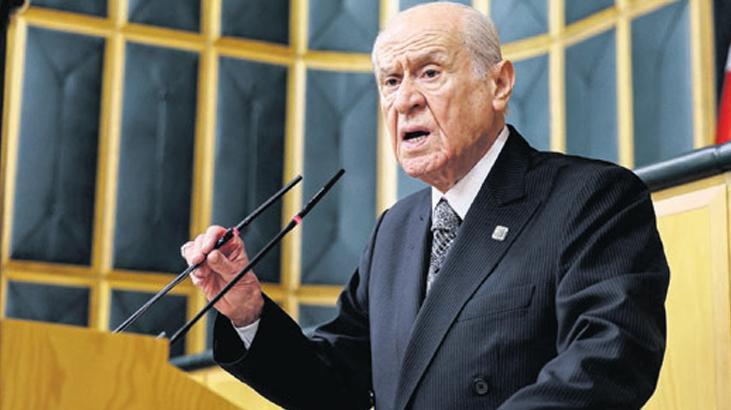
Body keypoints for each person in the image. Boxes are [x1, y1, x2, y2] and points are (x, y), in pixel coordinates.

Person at [181, 2, 669, 409]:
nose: (405, 101)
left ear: (498, 84)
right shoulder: (393, 230)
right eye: (390, 82)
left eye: (430, 73)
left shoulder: (592, 199)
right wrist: (247, 312)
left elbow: (606, 363)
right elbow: (334, 387)